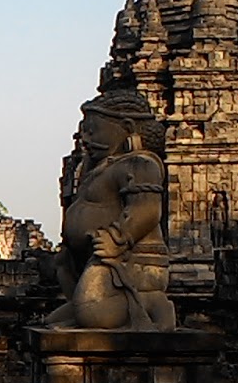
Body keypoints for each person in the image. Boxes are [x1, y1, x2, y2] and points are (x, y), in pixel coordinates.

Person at [46, 88, 177, 331]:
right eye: (84, 130)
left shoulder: (141, 163)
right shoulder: (99, 168)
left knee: (93, 316)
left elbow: (147, 210)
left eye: (93, 130)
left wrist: (117, 238)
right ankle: (92, 308)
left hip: (131, 260)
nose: (85, 137)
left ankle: (153, 303)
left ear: (127, 127)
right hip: (91, 260)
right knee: (54, 320)